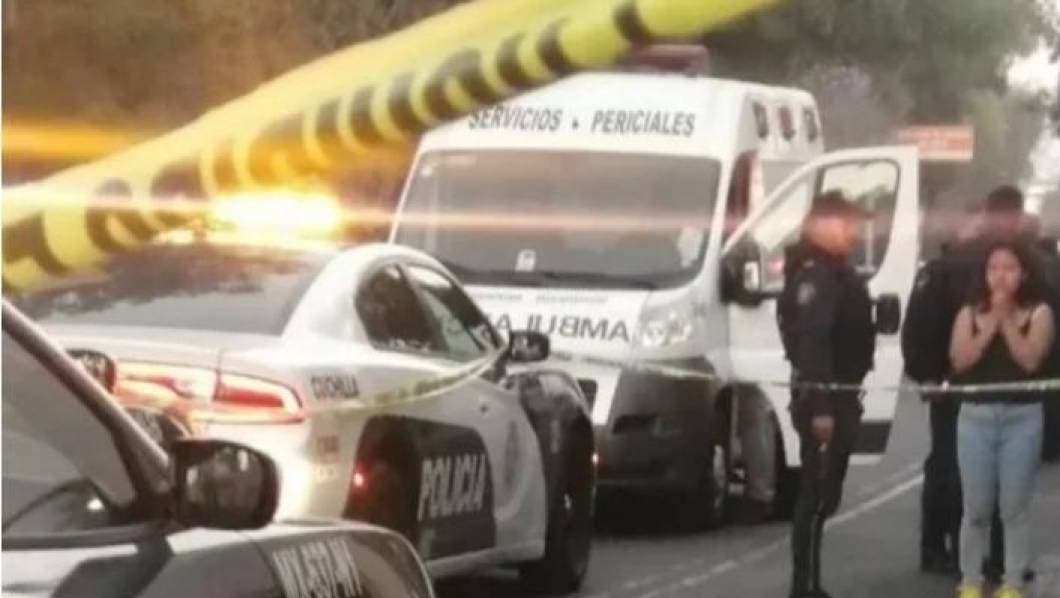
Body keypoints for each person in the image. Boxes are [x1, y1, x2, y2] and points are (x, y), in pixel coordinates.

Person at [901, 186, 1033, 578]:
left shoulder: (949, 262)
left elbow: (919, 325)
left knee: (948, 467)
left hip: (952, 383)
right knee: (1001, 473)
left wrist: (926, 374)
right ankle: (996, 558)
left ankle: (938, 549)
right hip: (998, 383)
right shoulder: (1021, 266)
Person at [777, 190, 876, 598]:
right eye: (846, 223)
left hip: (838, 396)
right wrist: (821, 407)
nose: (853, 232)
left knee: (823, 497)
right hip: (826, 400)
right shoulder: (817, 277)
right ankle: (804, 587)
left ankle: (810, 584)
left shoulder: (832, 273)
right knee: (816, 497)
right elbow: (813, 343)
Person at [950, 240, 1055, 598]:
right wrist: (989, 323)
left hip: (1021, 418)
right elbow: (960, 360)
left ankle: (1012, 582)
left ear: (1024, 273)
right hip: (974, 418)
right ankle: (970, 580)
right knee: (976, 507)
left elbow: (1030, 360)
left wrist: (1007, 320)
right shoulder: (968, 312)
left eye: (1009, 268)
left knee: (1014, 507)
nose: (1000, 276)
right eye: (993, 268)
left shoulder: (1039, 312)